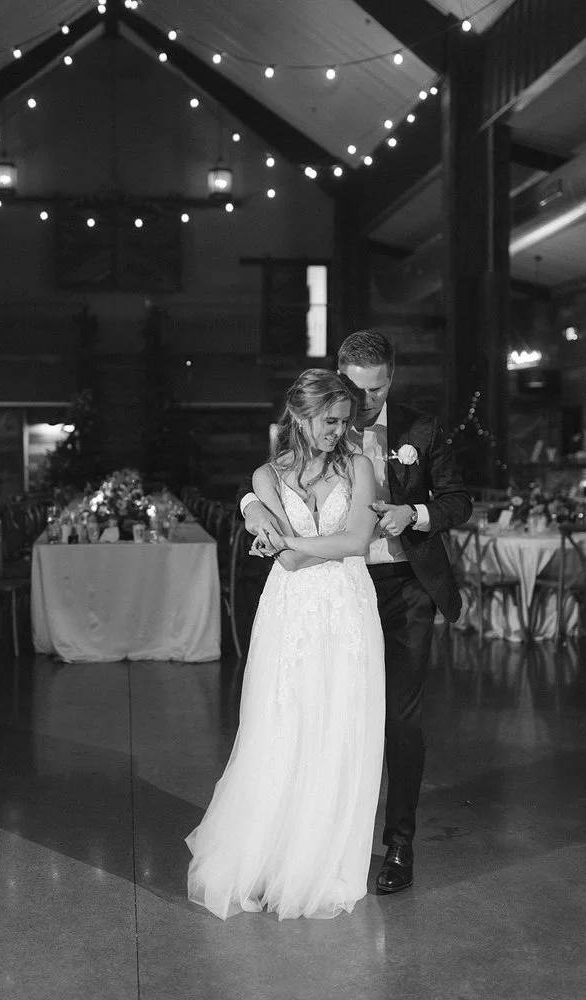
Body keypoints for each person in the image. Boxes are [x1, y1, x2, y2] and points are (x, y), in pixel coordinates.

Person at [238, 331, 472, 895]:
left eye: (380, 387)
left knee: (401, 718)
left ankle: (398, 844)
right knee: (320, 715)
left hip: (402, 583)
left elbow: (458, 500)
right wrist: (248, 504)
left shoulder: (421, 428)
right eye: (358, 389)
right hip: (333, 589)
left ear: (392, 378)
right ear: (341, 378)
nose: (367, 401)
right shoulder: (325, 423)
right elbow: (274, 482)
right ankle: (319, 840)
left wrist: (413, 513)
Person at [186, 369, 385, 920]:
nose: (338, 430)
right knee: (282, 725)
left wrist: (277, 532)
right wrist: (266, 519)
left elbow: (358, 541)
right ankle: (270, 860)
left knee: (342, 726)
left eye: (344, 421)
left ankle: (323, 862)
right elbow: (297, 561)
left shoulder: (360, 466)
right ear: (300, 415)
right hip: (290, 612)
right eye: (329, 420)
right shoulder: (267, 475)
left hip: (348, 607)